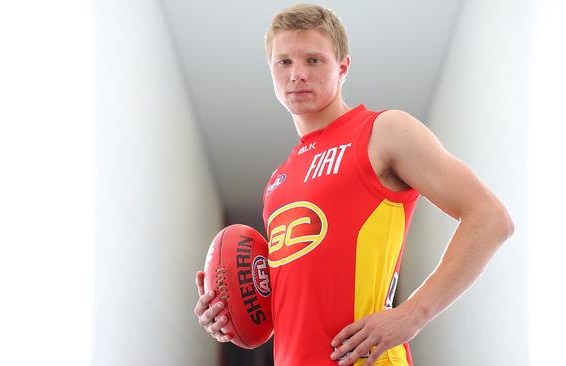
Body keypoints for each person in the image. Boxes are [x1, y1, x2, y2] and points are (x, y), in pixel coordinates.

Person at [194, 4, 514, 366]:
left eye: (314, 60)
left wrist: (413, 314)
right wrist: (229, 313)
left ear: (343, 66)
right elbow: (295, 303)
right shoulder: (277, 183)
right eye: (284, 62)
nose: (297, 74)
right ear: (271, 69)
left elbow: (491, 218)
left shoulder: (383, 132)